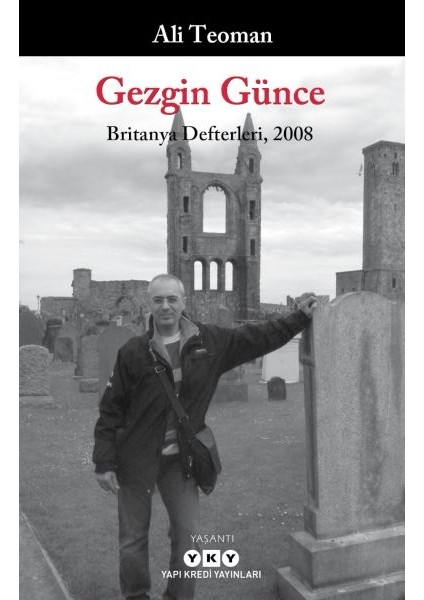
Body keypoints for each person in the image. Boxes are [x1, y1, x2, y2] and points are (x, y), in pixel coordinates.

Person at [93, 274, 317, 600]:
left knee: (189, 539)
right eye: (158, 300)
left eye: (172, 299)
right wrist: (104, 462)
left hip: (180, 461)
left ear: (183, 302)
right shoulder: (133, 352)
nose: (165, 306)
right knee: (132, 540)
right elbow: (111, 410)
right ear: (149, 305)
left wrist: (299, 317)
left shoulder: (208, 342)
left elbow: (258, 338)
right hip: (136, 459)